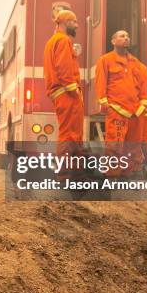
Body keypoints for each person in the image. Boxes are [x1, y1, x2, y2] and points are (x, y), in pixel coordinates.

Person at [95, 30, 143, 177]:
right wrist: (104, 103)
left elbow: (140, 84)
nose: (126, 38)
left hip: (133, 110)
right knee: (115, 144)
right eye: (122, 36)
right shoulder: (105, 60)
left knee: (131, 144)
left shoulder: (134, 62)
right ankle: (112, 174)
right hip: (116, 108)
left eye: (128, 36)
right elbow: (100, 82)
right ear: (113, 41)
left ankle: (126, 173)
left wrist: (141, 105)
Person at [43, 9, 84, 178]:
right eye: (74, 22)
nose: (77, 25)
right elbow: (64, 67)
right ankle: (65, 174)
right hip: (66, 94)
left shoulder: (52, 41)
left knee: (72, 134)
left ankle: (75, 173)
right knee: (69, 135)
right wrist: (73, 89)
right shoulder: (63, 40)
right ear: (66, 22)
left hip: (61, 94)